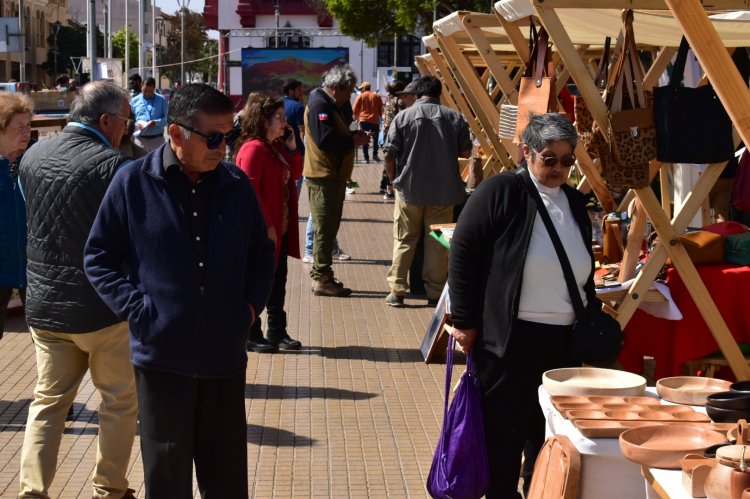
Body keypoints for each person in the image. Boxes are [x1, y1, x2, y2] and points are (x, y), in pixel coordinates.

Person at [84, 83, 275, 498]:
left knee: (226, 481)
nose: (223, 147)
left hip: (224, 359)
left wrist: (246, 310)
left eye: (230, 135)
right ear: (176, 133)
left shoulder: (236, 185)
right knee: (167, 481)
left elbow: (263, 254)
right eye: (214, 137)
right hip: (161, 362)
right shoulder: (132, 183)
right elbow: (97, 257)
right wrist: (140, 310)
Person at [448, 113, 593, 499]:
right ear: (525, 152)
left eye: (567, 160)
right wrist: (464, 320)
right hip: (508, 341)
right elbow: (463, 253)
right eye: (550, 158)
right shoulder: (501, 191)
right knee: (503, 440)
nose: (559, 168)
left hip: (563, 341)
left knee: (548, 439)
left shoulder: (575, 201)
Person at [18, 81, 137, 499]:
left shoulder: (30, 157)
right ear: (106, 121)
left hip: (45, 306)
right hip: (104, 310)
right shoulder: (117, 168)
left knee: (47, 403)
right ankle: (110, 488)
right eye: (126, 120)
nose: (128, 129)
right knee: (119, 403)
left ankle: (32, 490)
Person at [382, 76, 472, 307]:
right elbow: (466, 150)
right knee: (439, 243)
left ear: (418, 93)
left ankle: (397, 290)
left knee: (404, 239)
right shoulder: (455, 117)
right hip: (445, 193)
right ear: (438, 93)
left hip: (409, 191)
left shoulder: (403, 117)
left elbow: (389, 154)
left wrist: (393, 181)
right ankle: (435, 293)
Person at [235, 93, 303, 353]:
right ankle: (252, 332)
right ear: (263, 120)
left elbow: (295, 174)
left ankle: (277, 330)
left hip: (279, 228)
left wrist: (293, 147)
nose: (284, 122)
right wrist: (267, 227)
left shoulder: (273, 147)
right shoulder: (253, 148)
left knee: (277, 281)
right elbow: (249, 190)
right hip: (264, 232)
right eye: (279, 117)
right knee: (260, 281)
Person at [303, 64, 368, 297]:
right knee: (324, 229)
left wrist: (351, 137)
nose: (349, 96)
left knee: (328, 228)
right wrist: (353, 142)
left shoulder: (328, 104)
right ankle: (321, 277)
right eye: (348, 91)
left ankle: (325, 274)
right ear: (334, 87)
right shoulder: (320, 104)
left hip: (331, 175)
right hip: (323, 175)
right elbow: (324, 139)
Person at [0, 93, 33, 337]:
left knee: (43, 338)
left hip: (33, 267)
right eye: (19, 126)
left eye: (29, 125)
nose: (27, 132)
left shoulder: (36, 160)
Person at [379, 80, 406, 200]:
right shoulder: (399, 101)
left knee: (388, 160)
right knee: (395, 161)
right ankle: (391, 188)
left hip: (385, 133)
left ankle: (384, 186)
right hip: (395, 133)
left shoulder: (388, 99)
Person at [130, 77, 168, 152]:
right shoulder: (134, 101)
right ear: (141, 87)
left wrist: (156, 123)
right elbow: (130, 119)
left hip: (157, 141)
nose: (147, 93)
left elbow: (168, 119)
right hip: (140, 142)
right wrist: (136, 124)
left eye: (150, 91)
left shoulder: (162, 100)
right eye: (145, 91)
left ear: (154, 89)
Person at [352, 81, 383, 163]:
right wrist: (380, 116)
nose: (361, 90)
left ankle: (366, 158)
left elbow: (354, 109)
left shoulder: (360, 96)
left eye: (361, 88)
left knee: (364, 138)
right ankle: (375, 154)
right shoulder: (377, 96)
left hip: (363, 120)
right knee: (375, 138)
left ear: (364, 88)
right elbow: (381, 109)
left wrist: (354, 118)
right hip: (375, 120)